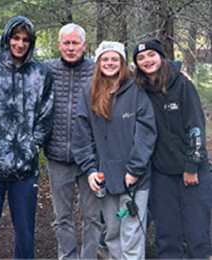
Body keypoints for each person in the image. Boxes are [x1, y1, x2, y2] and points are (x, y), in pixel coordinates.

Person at [0, 16, 54, 259]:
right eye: (15, 38)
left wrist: (31, 147)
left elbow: (46, 116)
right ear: (7, 38)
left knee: (25, 232)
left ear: (31, 43)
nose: (20, 44)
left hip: (25, 169)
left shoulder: (42, 74)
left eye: (25, 40)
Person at [71, 41, 157, 260]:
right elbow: (82, 136)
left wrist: (135, 169)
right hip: (105, 178)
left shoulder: (137, 90)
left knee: (131, 234)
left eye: (114, 59)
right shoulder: (89, 92)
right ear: (99, 63)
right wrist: (90, 170)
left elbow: (146, 133)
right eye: (105, 59)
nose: (110, 63)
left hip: (134, 178)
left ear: (122, 62)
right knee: (113, 234)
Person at [132, 38, 212, 259]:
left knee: (197, 233)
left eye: (151, 55)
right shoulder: (139, 89)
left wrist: (192, 166)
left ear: (160, 56)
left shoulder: (182, 84)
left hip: (193, 171)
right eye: (140, 58)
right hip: (161, 173)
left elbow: (196, 127)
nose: (147, 60)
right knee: (167, 235)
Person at [43, 23, 101, 259]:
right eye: (66, 42)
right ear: (59, 45)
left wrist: (173, 71)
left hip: (90, 159)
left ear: (84, 45)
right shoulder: (46, 69)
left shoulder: (98, 70)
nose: (70, 47)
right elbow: (18, 70)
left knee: (92, 217)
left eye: (75, 42)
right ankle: (67, 257)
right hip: (58, 158)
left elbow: (131, 79)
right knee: (61, 218)